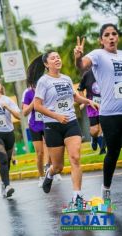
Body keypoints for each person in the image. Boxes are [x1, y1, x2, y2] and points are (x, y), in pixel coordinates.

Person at [33, 51, 98, 204]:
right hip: (53, 126)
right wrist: (56, 116)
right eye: (53, 58)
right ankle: (50, 174)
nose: (57, 59)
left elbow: (75, 97)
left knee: (75, 158)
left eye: (58, 56)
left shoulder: (66, 79)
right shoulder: (43, 81)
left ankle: (77, 195)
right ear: (46, 64)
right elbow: (37, 106)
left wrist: (89, 101)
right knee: (58, 166)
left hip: (70, 122)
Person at [74, 23, 122, 200]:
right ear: (101, 40)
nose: (111, 37)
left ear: (117, 37)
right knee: (113, 152)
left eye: (114, 34)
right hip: (109, 114)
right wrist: (78, 58)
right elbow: (82, 65)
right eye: (107, 35)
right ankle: (106, 187)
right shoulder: (97, 55)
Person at [23, 61, 62, 188]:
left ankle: (52, 170)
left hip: (47, 122)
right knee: (39, 153)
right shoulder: (28, 93)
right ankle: (41, 176)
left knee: (51, 149)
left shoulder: (47, 88)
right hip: (34, 125)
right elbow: (24, 112)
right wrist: (34, 103)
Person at [77, 69, 106, 154]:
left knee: (102, 127)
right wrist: (85, 101)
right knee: (94, 130)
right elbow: (80, 89)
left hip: (104, 103)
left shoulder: (105, 71)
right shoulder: (87, 74)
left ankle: (102, 150)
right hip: (91, 105)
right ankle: (94, 138)